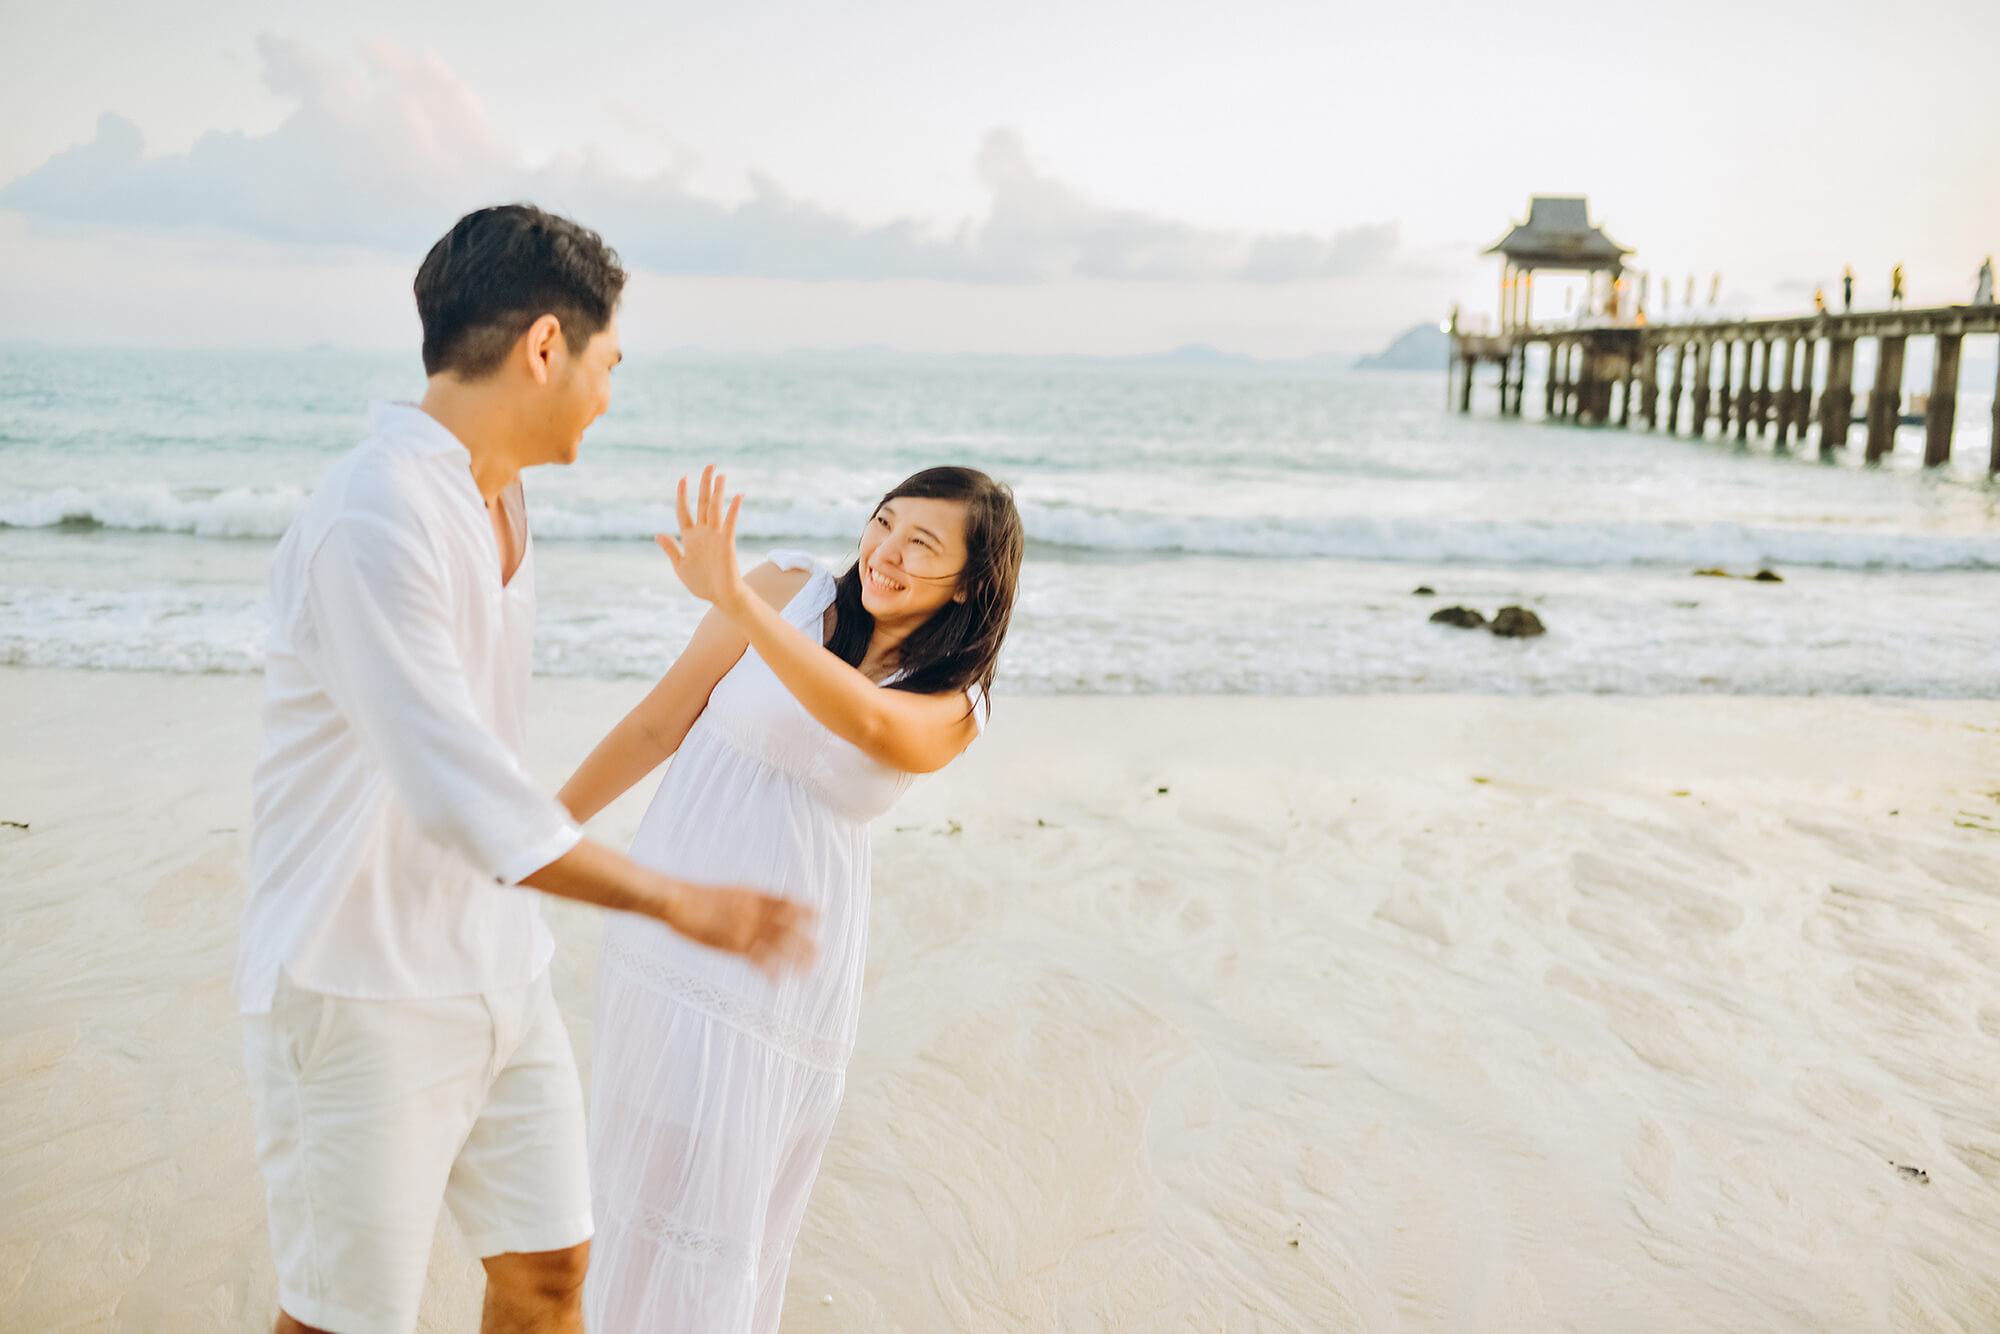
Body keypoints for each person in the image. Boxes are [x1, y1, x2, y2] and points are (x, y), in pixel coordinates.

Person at [236, 206, 815, 1334]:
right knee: (344, 1319)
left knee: (550, 1271)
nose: (608, 393)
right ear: (544, 347)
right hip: (356, 982)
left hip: (498, 965)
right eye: (607, 363)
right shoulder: (377, 510)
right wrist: (674, 898)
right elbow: (453, 787)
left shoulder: (497, 496)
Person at [561, 465, 1024, 1332]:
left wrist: (739, 606)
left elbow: (868, 724)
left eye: (920, 543)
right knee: (636, 1171)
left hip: (784, 966)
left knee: (724, 1202)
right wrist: (533, 839)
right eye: (883, 523)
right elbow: (659, 724)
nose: (885, 551)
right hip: (671, 924)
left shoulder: (954, 706)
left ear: (969, 580)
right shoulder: (788, 588)